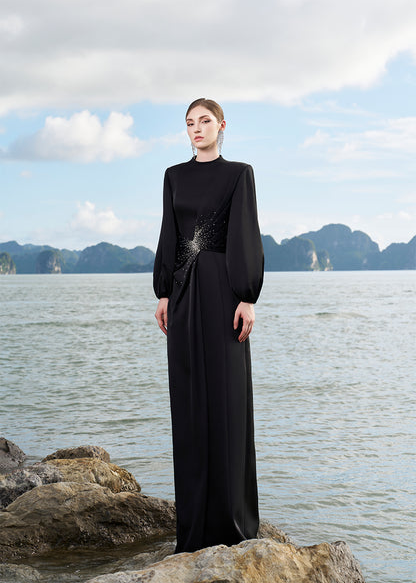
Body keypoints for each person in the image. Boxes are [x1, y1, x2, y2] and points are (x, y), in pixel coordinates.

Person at [153, 98, 264, 554]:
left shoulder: (239, 174)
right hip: (182, 294)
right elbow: (170, 234)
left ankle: (234, 525)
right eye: (189, 123)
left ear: (221, 125)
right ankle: (193, 531)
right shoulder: (173, 176)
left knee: (227, 400)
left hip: (223, 296)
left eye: (204, 121)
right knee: (189, 404)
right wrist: (163, 293)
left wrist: (247, 297)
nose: (196, 128)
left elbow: (245, 234)